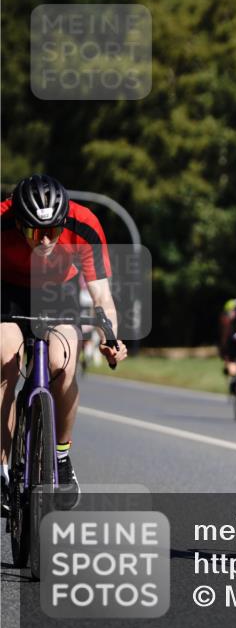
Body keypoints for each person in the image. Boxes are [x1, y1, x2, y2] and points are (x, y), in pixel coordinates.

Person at [1, 174, 128, 513]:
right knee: (6, 358)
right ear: (18, 223)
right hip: (7, 290)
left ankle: (60, 456)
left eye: (53, 231)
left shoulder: (84, 224)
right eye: (34, 232)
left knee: (63, 363)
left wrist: (111, 337)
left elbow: (102, 296)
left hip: (58, 292)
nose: (45, 240)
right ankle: (1, 467)